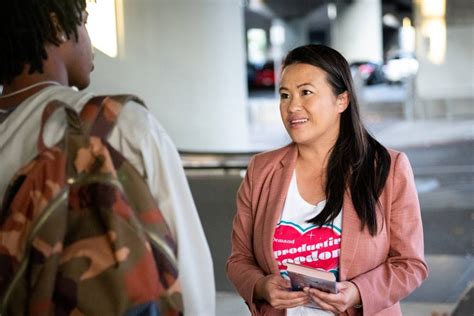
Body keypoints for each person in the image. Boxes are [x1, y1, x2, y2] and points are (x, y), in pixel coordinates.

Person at [0, 1, 215, 315]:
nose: (89, 39)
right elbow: (190, 273)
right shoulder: (119, 125)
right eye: (84, 22)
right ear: (57, 25)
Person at [227, 44, 428, 315]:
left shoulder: (387, 168)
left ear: (341, 101)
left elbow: (410, 264)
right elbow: (239, 260)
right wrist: (262, 286)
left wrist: (358, 292)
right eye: (284, 95)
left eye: (306, 92)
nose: (292, 106)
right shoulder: (261, 170)